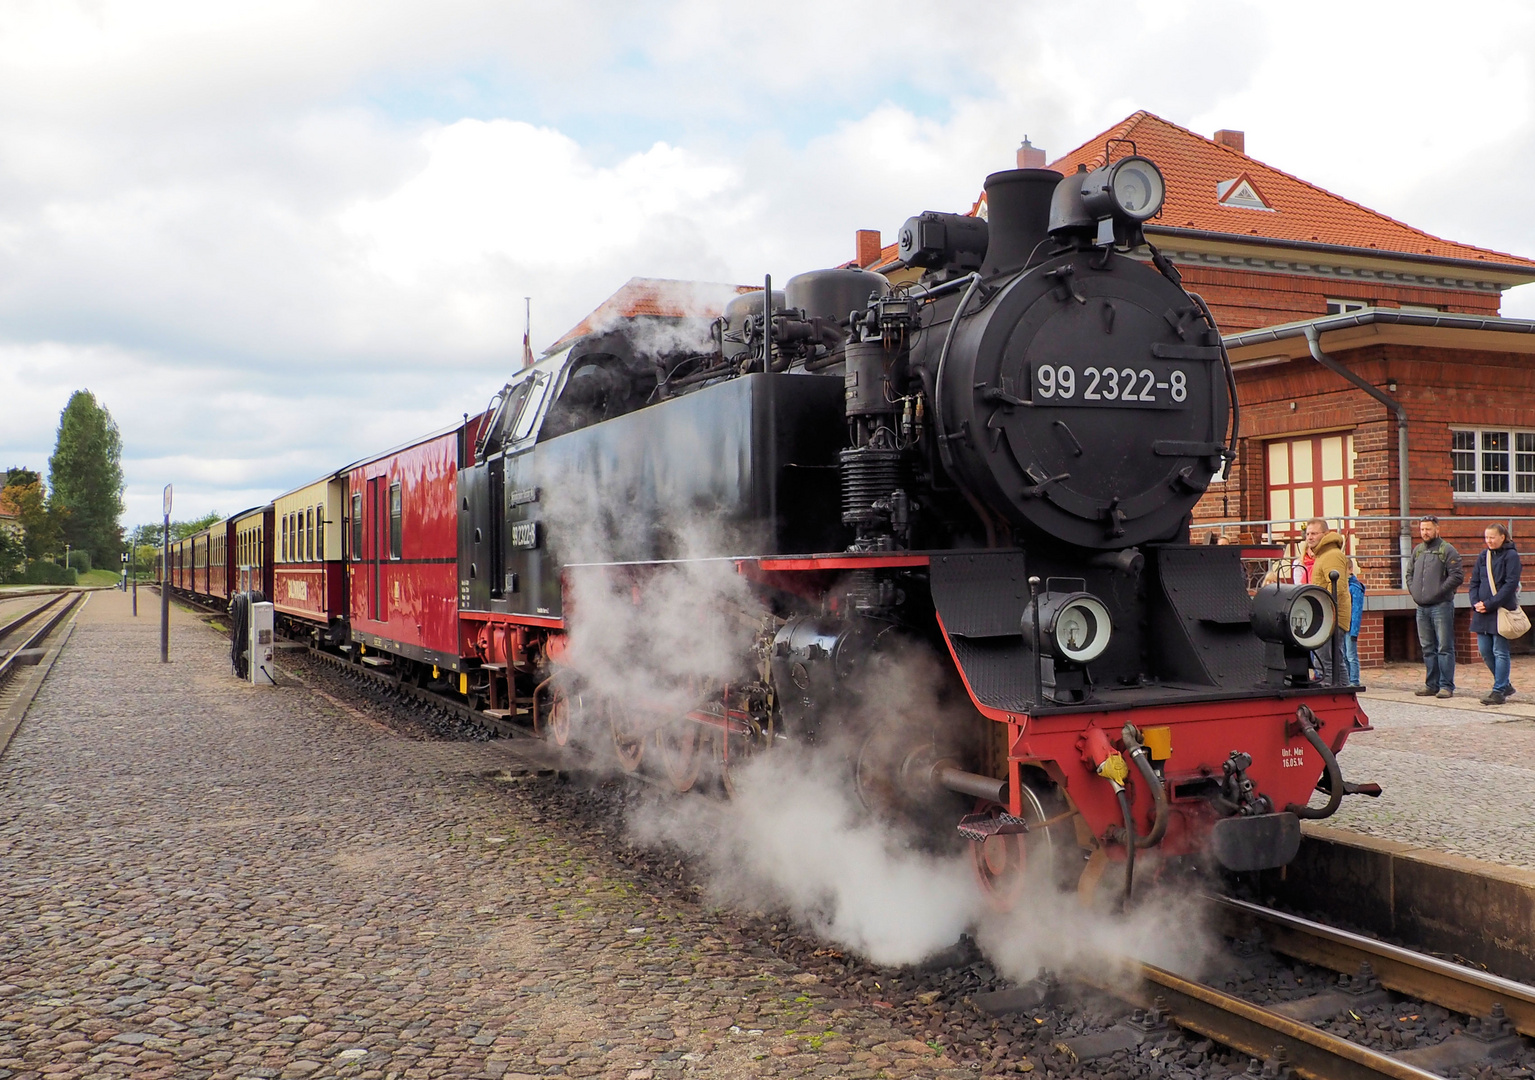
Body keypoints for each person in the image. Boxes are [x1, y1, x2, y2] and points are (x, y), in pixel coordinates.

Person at [1407, 515, 1463, 698]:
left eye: (1428, 529)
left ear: (1437, 529)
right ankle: (1431, 685)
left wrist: (1438, 592)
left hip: (1441, 606)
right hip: (1421, 607)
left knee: (1444, 647)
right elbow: (1409, 574)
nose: (1425, 532)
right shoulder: (1417, 551)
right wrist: (1415, 592)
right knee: (1427, 647)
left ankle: (1446, 685)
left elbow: (1457, 576)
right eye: (1422, 529)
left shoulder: (1447, 550)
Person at [1468, 523, 1521, 705]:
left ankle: (1498, 690)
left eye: (1492, 537)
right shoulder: (1484, 555)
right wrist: (1475, 603)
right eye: (1486, 537)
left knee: (1500, 650)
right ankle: (1504, 684)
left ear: (1502, 537)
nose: (1489, 541)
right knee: (1485, 650)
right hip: (1482, 611)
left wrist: (1490, 604)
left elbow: (1510, 585)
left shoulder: (1512, 556)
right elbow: (1474, 581)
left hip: (1500, 610)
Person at [1303, 518, 1351, 683]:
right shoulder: (1323, 555)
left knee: (1326, 662)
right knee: (1332, 660)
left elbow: (1337, 587)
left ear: (1325, 534)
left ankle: (1333, 695)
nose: (1310, 537)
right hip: (1327, 615)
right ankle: (1343, 694)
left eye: (1314, 533)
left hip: (1331, 617)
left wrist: (1325, 613)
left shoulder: (1331, 556)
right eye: (1308, 533)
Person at [1343, 558, 1366, 685]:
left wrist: (1354, 632)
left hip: (1350, 626)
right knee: (1344, 655)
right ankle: (1346, 679)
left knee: (1351, 655)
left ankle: (1354, 680)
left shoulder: (1354, 587)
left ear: (1350, 570)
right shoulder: (1343, 586)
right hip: (1343, 625)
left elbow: (1357, 610)